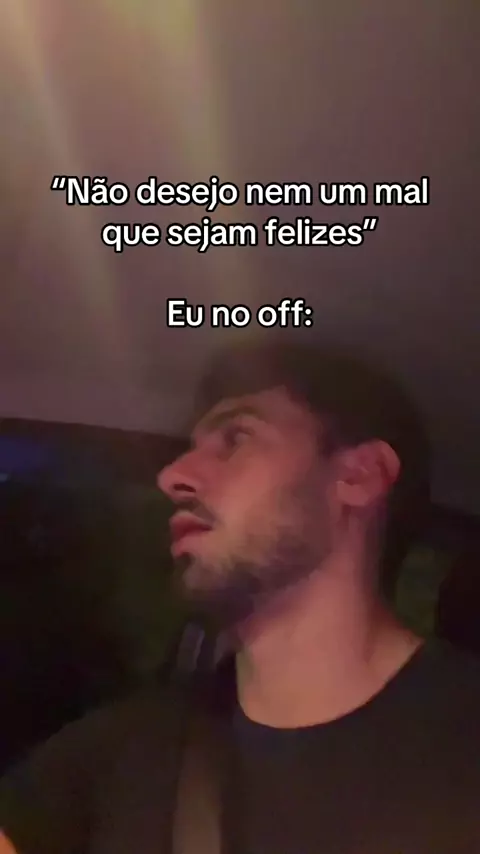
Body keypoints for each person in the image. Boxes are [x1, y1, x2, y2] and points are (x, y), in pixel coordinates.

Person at [1, 335, 480, 854]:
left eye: (236, 438)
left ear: (358, 475)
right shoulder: (116, 755)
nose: (172, 476)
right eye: (189, 449)